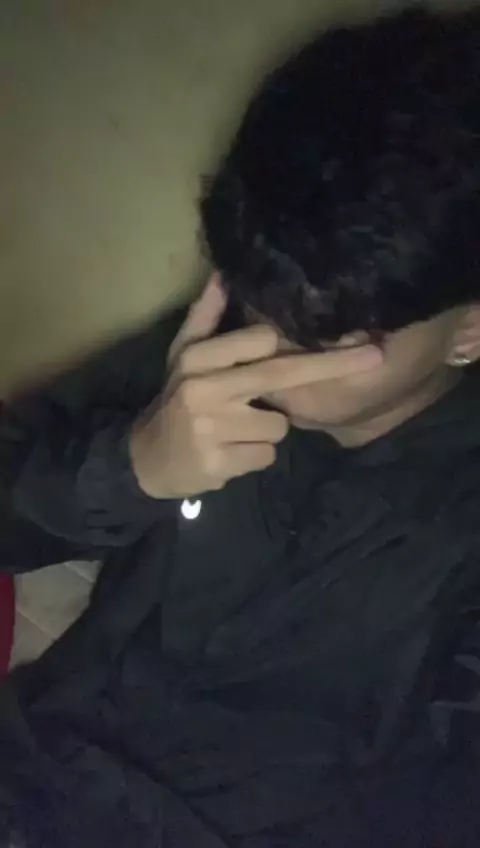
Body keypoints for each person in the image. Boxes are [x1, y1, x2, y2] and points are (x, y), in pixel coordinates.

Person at [1, 6, 480, 846]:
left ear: (468, 329)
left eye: (323, 337)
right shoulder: (212, 347)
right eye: (258, 299)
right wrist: (129, 469)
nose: (266, 349)